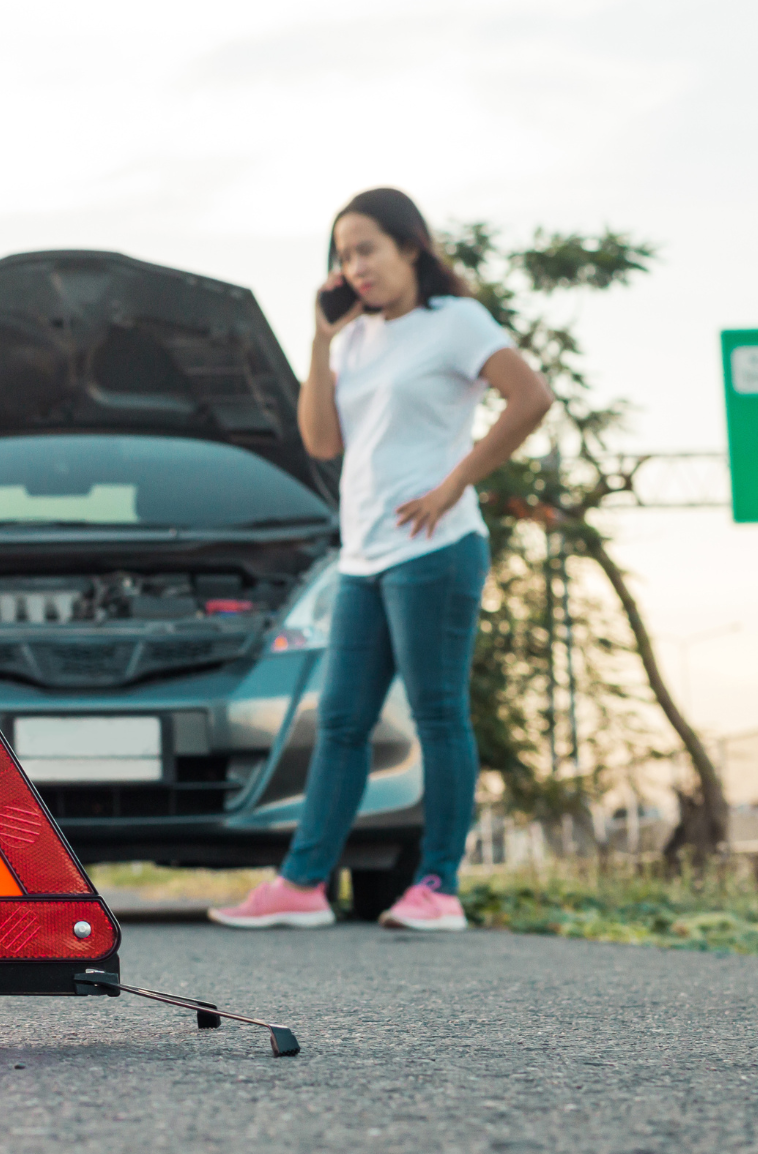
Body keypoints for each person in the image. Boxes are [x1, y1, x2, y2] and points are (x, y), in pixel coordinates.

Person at [210, 187, 551, 932]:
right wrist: (321, 340)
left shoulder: (455, 322)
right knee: (340, 722)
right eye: (343, 254)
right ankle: (302, 885)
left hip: (436, 547)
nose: (354, 266)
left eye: (367, 248)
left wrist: (455, 481)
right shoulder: (356, 338)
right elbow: (322, 442)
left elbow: (531, 398)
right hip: (363, 556)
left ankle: (439, 887)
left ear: (411, 248)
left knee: (437, 714)